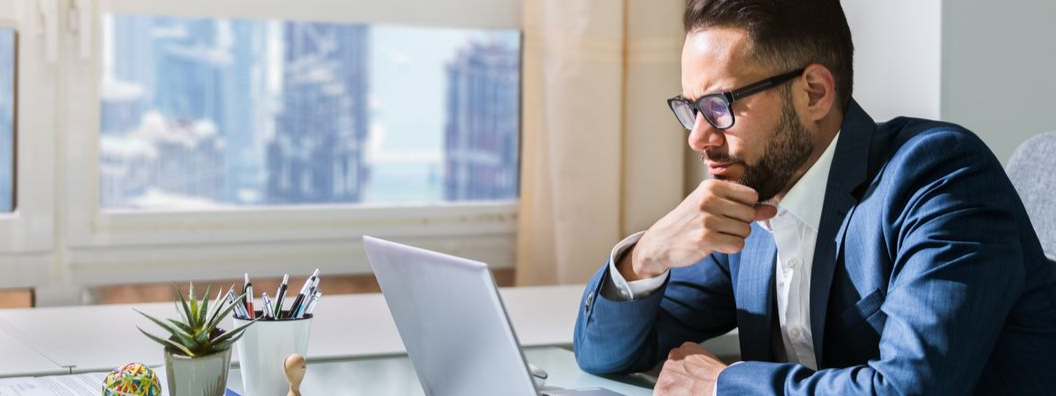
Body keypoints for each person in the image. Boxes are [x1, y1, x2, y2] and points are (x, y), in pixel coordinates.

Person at [572, 0, 1056, 395]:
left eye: (719, 106)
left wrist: (724, 384)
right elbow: (604, 352)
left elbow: (909, 390)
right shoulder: (752, 206)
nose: (698, 137)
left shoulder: (937, 177)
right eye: (691, 107)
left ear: (815, 93)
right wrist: (647, 255)